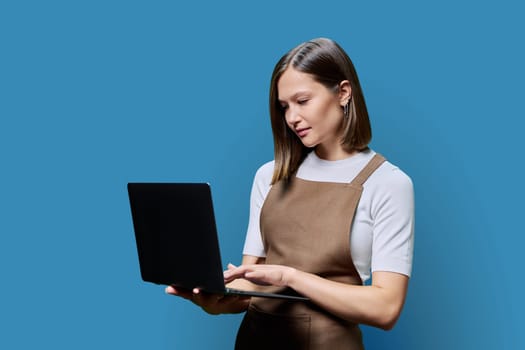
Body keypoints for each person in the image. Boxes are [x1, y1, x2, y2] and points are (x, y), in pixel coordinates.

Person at [166, 37, 414, 350]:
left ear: (343, 92)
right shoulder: (269, 176)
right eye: (284, 107)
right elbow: (251, 286)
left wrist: (290, 277)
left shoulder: (388, 183)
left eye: (302, 101)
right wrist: (217, 299)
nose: (291, 118)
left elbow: (386, 308)